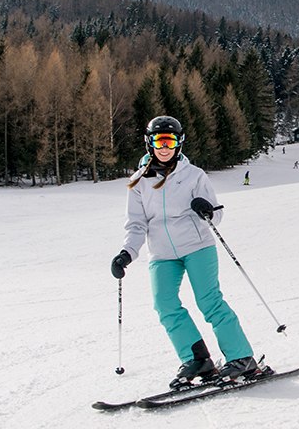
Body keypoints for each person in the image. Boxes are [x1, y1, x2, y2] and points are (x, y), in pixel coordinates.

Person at [109, 116, 260, 388]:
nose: (164, 147)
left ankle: (241, 357)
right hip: (162, 254)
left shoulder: (194, 175)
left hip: (197, 247)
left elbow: (216, 213)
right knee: (164, 304)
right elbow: (136, 223)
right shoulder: (138, 182)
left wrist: (207, 211)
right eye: (159, 141)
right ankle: (197, 359)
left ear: (179, 144)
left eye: (170, 141)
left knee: (209, 301)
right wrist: (127, 253)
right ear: (149, 143)